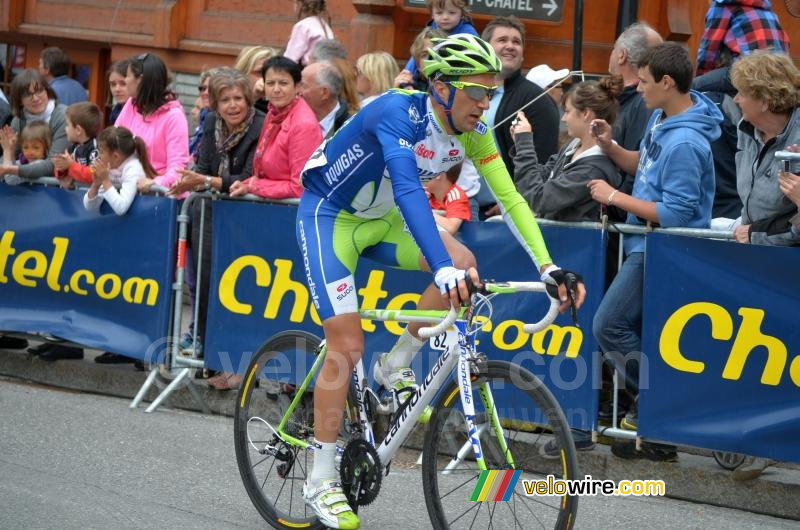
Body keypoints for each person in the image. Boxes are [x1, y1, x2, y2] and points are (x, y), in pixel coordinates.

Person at [296, 34, 585, 529]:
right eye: (475, 91)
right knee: (345, 345)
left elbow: (511, 198)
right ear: (440, 87)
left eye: (491, 92)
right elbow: (409, 189)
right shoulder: (397, 114)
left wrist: (547, 266)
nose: (484, 102)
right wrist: (440, 265)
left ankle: (395, 366)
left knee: (465, 261)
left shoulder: (475, 129)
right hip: (330, 217)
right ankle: (321, 478)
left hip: (383, 215)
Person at [588, 42, 722, 461]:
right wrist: (612, 148)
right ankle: (651, 419)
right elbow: (643, 168)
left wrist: (615, 197)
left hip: (662, 249)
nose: (638, 89)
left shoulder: (686, 143)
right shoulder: (661, 117)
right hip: (645, 246)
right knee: (634, 332)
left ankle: (657, 399)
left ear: (667, 82)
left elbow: (677, 213)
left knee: (607, 325)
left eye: (644, 82)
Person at [168, 68, 266, 386]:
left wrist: (208, 181)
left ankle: (236, 364)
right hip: (208, 215)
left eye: (238, 98)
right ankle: (210, 358)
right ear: (215, 102)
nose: (233, 105)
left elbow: (253, 177)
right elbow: (205, 165)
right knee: (205, 286)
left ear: (248, 100)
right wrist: (189, 179)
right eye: (225, 100)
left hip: (247, 220)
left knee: (238, 292)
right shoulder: (210, 122)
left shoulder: (262, 125)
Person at [478, 16, 560, 219]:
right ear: (485, 48)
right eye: (502, 40)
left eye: (516, 42)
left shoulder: (537, 100)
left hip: (508, 212)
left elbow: (543, 162)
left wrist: (515, 200)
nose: (510, 46)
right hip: (463, 207)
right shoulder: (471, 91)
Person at [512, 78, 623, 222]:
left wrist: (524, 146)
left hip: (571, 242)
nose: (563, 118)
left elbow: (539, 199)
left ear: (586, 114)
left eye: (567, 111)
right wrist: (521, 145)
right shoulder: (574, 146)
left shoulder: (593, 169)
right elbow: (544, 176)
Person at [729, 52, 800, 247]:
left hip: (787, 257)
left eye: (742, 93)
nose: (735, 99)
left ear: (764, 101)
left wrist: (755, 234)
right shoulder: (746, 129)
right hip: (752, 246)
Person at [230, 56, 321, 200]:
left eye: (283, 83)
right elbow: (263, 173)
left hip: (289, 214)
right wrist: (245, 184)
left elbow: (299, 187)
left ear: (297, 87)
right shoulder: (273, 113)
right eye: (270, 83)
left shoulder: (303, 124)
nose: (276, 89)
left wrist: (253, 186)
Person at [115, 53, 190, 193]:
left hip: (161, 199)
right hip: (131, 193)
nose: (124, 80)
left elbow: (178, 169)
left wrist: (154, 183)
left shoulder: (174, 116)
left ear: (140, 80)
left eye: (127, 75)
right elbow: (113, 143)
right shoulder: (131, 104)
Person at [607, 21, 663, 202]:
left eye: (613, 49)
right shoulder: (617, 100)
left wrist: (614, 207)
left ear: (621, 55)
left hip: (619, 217)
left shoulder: (645, 104)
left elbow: (642, 166)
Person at [0, 69, 69, 181]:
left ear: (47, 90)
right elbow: (6, 165)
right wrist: (8, 151)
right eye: (28, 95)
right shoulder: (18, 121)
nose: (35, 98)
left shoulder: (63, 117)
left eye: (39, 91)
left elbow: (54, 164)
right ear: (20, 100)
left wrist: (13, 170)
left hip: (56, 191)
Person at [696, 0, 791, 76]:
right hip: (781, 74)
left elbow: (710, 48)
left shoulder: (722, 5)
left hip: (751, 73)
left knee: (695, 87)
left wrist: (702, 75)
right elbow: (785, 42)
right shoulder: (766, 7)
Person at [398, 0, 478, 85]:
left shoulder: (469, 34)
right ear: (432, 14)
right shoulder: (431, 29)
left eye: (452, 12)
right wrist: (406, 82)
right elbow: (416, 58)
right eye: (439, 13)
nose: (445, 17)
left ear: (462, 13)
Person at [84, 126, 156, 215]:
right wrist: (96, 184)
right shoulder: (111, 168)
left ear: (115, 157)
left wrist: (105, 180)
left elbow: (121, 208)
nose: (98, 156)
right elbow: (89, 206)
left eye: (101, 152)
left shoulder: (133, 169)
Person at [52, 102, 102, 187]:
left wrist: (71, 165)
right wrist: (61, 167)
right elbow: (59, 173)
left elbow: (93, 175)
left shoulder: (95, 147)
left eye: (67, 125)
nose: (65, 129)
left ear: (78, 130)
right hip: (77, 196)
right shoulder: (72, 147)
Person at [300, 60, 351, 139]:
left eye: (303, 86)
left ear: (324, 93)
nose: (297, 91)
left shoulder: (349, 127)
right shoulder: (292, 118)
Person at [394, 27, 448, 92]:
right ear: (418, 65)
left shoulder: (457, 86)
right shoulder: (409, 85)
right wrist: (397, 93)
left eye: (435, 53)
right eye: (424, 55)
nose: (430, 59)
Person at [285, 0, 334, 67]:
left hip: (308, 69)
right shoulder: (324, 25)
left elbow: (290, 58)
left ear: (300, 5)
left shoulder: (302, 26)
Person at [425, 163, 471, 234]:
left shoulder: (456, 196)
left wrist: (422, 211)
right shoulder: (427, 194)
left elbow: (451, 228)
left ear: (438, 175)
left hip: (458, 241)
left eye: (423, 172)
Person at [233, 46, 278, 113]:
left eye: (273, 72)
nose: (267, 78)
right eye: (260, 72)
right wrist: (255, 96)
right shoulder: (229, 96)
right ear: (243, 73)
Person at [189, 67, 220, 162]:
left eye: (210, 88)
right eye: (203, 88)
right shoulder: (204, 115)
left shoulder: (224, 118)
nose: (205, 93)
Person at [107, 60, 129, 126]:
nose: (117, 89)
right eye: (113, 84)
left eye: (123, 84)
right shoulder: (115, 113)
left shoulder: (142, 115)